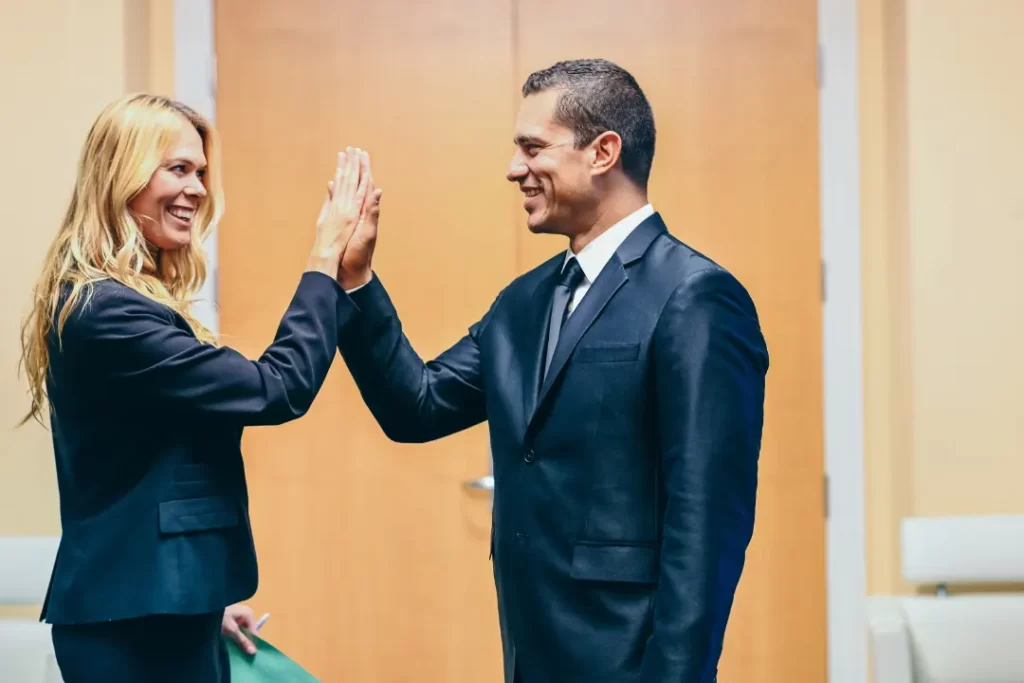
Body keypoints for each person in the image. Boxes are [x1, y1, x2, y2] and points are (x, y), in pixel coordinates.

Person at [333, 59, 768, 682]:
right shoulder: (524, 302)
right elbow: (417, 406)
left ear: (603, 152)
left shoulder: (695, 297)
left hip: (632, 660)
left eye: (532, 148)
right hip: (532, 652)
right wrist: (355, 281)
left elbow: (707, 523)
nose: (515, 169)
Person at [18, 93, 379, 683]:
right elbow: (274, 389)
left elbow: (149, 466)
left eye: (201, 173)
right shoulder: (108, 313)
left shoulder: (120, 302)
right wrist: (324, 261)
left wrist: (201, 596)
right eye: (178, 169)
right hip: (133, 628)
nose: (197, 189)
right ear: (121, 176)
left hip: (165, 607)